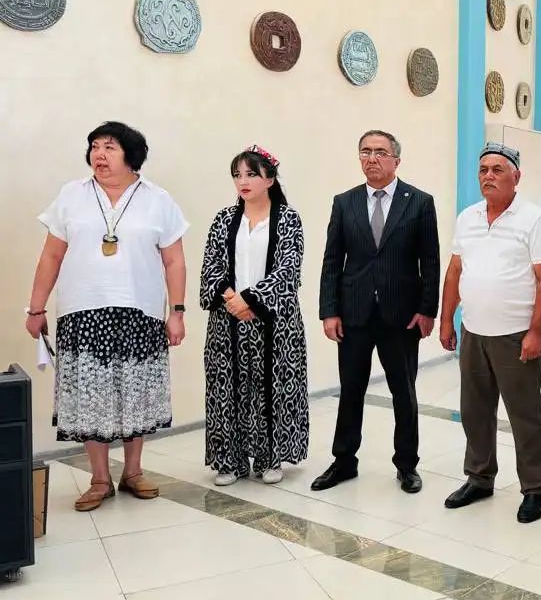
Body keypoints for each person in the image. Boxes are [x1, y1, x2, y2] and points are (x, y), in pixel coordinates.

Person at [25, 122, 188, 512]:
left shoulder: (158, 199)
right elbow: (51, 256)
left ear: (131, 154)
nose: (99, 154)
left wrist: (177, 312)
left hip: (140, 312)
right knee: (89, 396)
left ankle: (133, 472)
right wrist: (36, 308)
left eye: (109, 147)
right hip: (82, 312)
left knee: (136, 393)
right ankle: (99, 479)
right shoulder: (72, 195)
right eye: (95, 147)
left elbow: (174, 261)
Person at [312, 130, 440, 494]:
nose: (372, 158)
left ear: (396, 160)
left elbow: (430, 261)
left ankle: (407, 465)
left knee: (404, 392)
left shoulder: (419, 202)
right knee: (351, 390)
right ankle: (343, 461)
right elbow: (332, 260)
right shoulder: (345, 202)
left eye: (380, 152)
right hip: (354, 314)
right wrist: (329, 311)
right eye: (365, 151)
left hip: (402, 316)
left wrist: (427, 310)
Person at [440, 143, 541, 523]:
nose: (488, 176)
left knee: (525, 415)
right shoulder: (468, 218)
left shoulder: (535, 220)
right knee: (475, 411)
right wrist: (447, 319)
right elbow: (455, 271)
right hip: (474, 331)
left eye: (497, 170)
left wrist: (536, 332)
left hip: (515, 335)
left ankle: (534, 488)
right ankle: (479, 478)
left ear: (516, 177)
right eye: (483, 170)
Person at [199, 146, 309, 487]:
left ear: (270, 179)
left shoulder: (288, 219)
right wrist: (231, 299)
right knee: (226, 388)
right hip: (227, 318)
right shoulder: (224, 219)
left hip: (274, 323)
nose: (242, 181)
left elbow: (288, 269)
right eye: (237, 175)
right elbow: (211, 265)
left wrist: (250, 301)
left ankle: (269, 458)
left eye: (250, 174)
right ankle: (229, 461)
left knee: (271, 388)